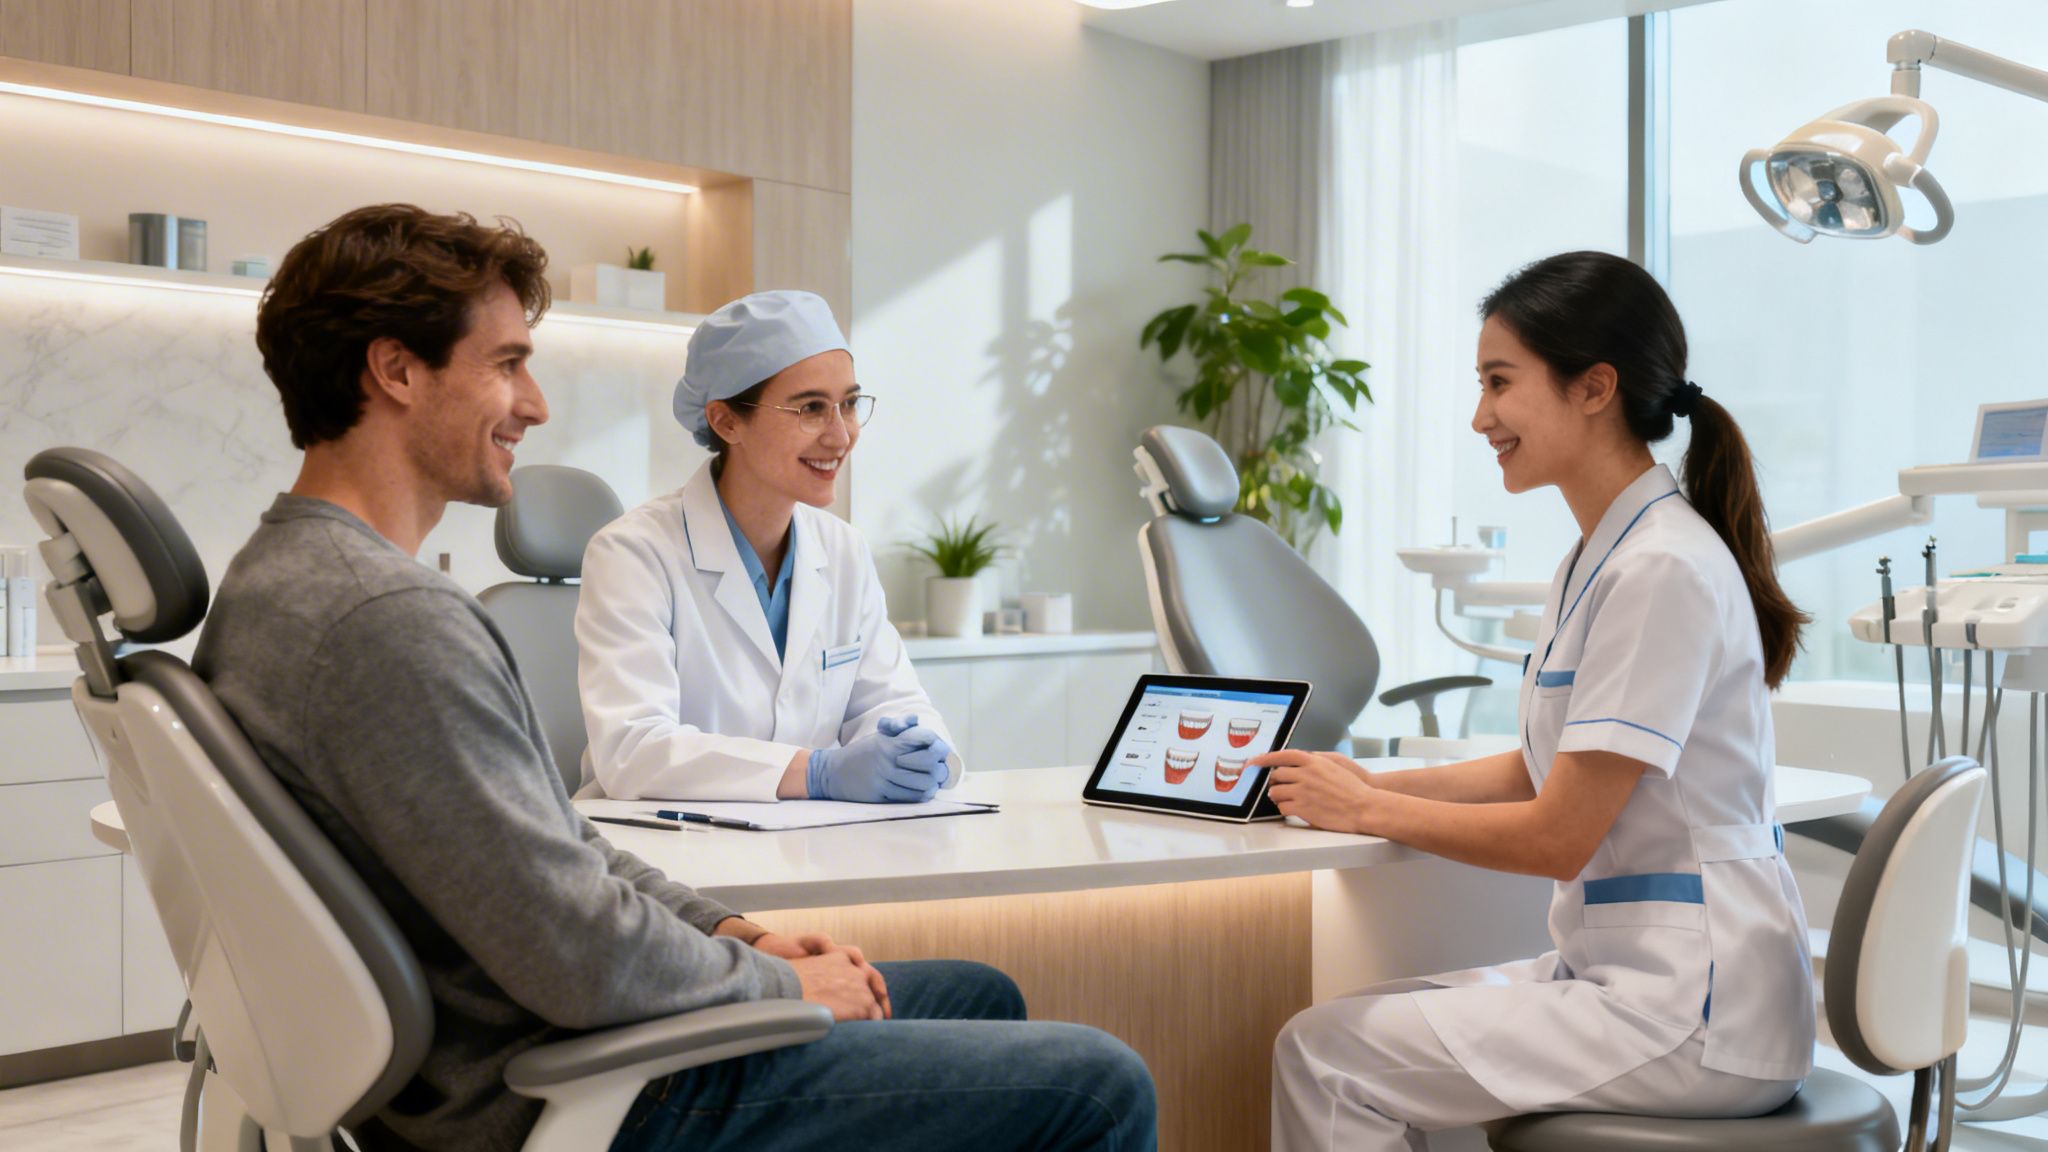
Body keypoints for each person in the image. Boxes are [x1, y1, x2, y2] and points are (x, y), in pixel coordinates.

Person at [194, 204, 1155, 1152]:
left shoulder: (284, 582)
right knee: (1100, 1084)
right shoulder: (390, 619)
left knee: (981, 994)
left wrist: (739, 932)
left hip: (529, 1042)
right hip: (571, 1085)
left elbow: (558, 853)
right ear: (396, 369)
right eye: (509, 363)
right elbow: (569, 941)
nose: (535, 405)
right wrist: (779, 984)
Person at [1256, 250, 1815, 1150]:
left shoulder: (1660, 566)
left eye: (1499, 383)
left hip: (1696, 1011)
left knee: (1326, 1055)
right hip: (1640, 982)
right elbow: (1539, 769)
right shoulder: (1599, 557)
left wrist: (1369, 808)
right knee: (1352, 1024)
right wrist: (1358, 783)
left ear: (1594, 387)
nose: (1482, 417)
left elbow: (1559, 833)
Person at [575, 289, 964, 803]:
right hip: (663, 850)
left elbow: (888, 704)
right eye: (810, 408)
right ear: (726, 420)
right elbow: (634, 751)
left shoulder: (843, 551)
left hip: (808, 845)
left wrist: (918, 750)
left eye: (848, 404)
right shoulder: (634, 553)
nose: (841, 435)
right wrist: (819, 771)